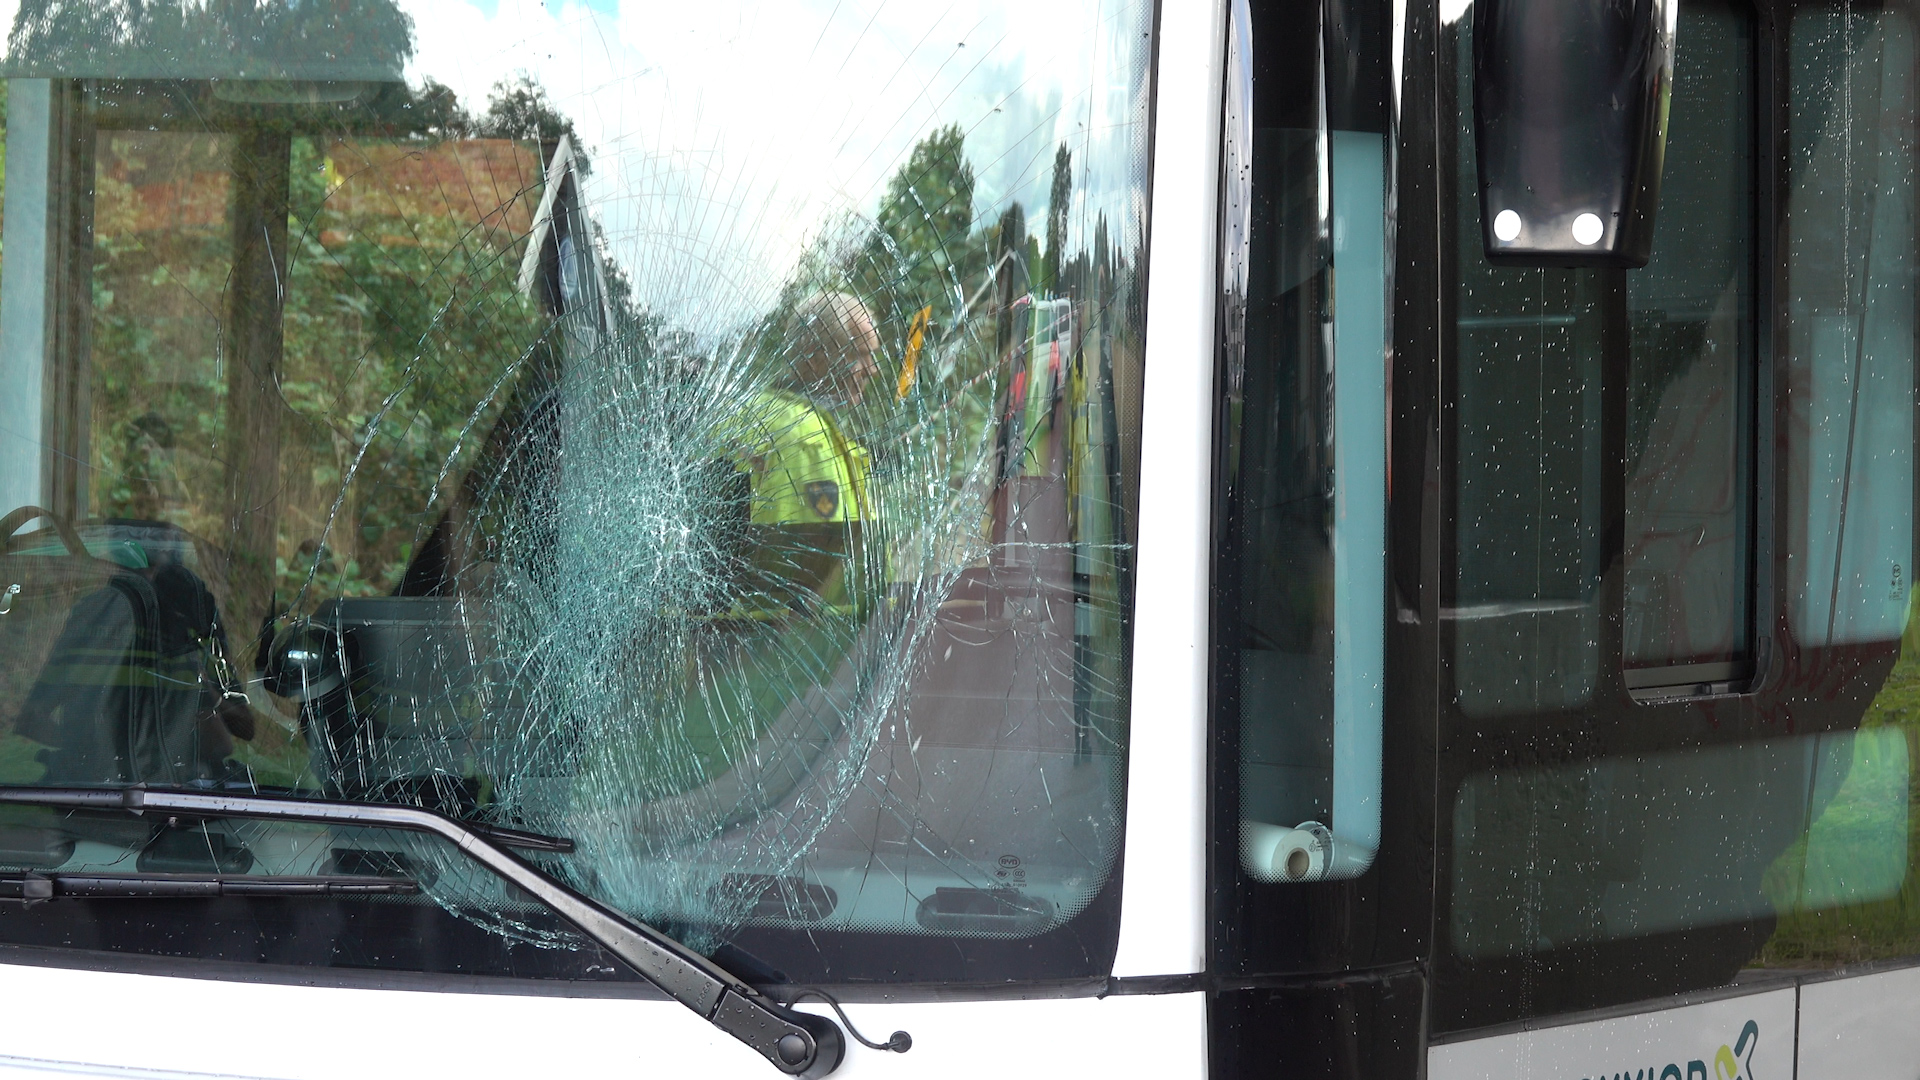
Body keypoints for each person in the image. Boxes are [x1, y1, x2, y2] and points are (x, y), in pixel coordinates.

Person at [724, 291, 882, 617]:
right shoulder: (793, 432)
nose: (873, 369)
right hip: (787, 645)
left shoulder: (782, 419)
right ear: (815, 356)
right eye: (861, 354)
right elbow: (786, 563)